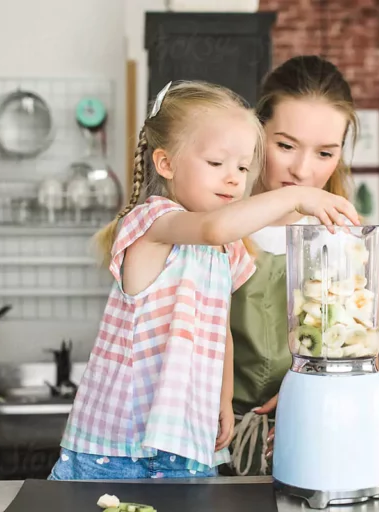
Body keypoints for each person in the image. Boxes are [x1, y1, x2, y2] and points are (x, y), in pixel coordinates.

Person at [47, 80, 359, 481]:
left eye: (243, 168)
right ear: (166, 163)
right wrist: (297, 197)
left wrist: (223, 399)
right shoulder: (153, 222)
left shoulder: (225, 250)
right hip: (118, 439)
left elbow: (220, 332)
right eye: (216, 164)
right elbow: (213, 227)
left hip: (186, 435)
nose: (234, 179)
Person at [227, 55, 369, 476]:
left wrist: (308, 391)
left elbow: (359, 356)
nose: (303, 170)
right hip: (206, 440)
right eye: (285, 145)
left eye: (325, 153)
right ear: (256, 132)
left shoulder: (343, 243)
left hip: (311, 441)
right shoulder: (214, 224)